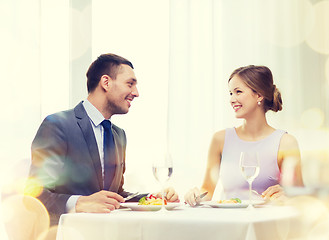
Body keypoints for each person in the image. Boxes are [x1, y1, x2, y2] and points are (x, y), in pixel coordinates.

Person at [28, 53, 178, 225]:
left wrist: (152, 198)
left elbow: (116, 195)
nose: (136, 93)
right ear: (106, 82)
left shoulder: (119, 135)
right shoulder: (57, 125)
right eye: (130, 84)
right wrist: (79, 202)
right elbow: (35, 195)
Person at [184, 65, 304, 206]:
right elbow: (207, 191)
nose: (232, 99)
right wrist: (194, 196)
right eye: (230, 93)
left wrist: (288, 195)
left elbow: (299, 196)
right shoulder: (220, 140)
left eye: (238, 92)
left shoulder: (285, 142)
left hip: (266, 223)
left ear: (259, 95)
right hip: (229, 222)